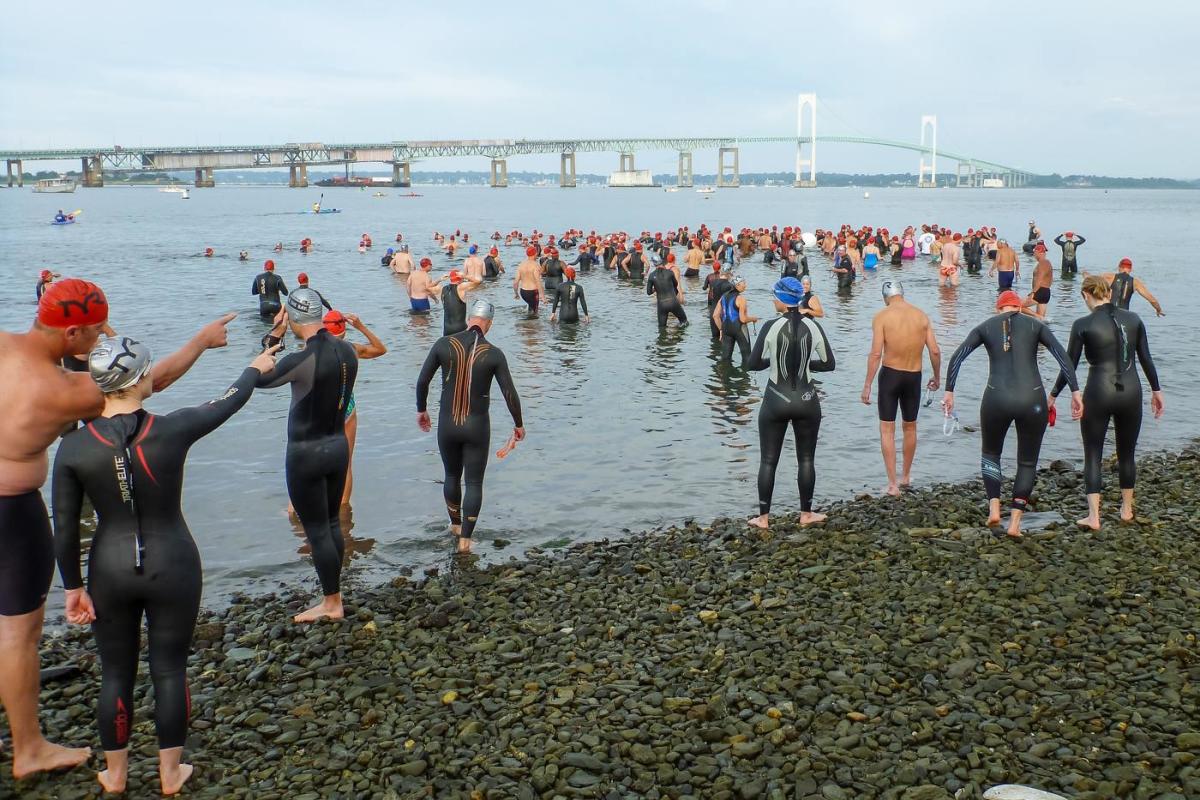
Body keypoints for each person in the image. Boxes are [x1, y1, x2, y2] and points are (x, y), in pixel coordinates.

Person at [0, 279, 233, 781]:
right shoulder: (64, 393)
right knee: (18, 633)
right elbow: (143, 382)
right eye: (96, 333)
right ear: (74, 334)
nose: (103, 339)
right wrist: (200, 341)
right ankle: (28, 748)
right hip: (12, 512)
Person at [52, 337, 276, 795]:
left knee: (115, 672)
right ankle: (170, 773)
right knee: (169, 669)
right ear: (138, 379)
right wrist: (255, 366)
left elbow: (65, 529)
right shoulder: (173, 428)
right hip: (173, 561)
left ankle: (115, 775)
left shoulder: (73, 448)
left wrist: (73, 587)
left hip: (109, 569)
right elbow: (229, 400)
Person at [943, 290, 1082, 538]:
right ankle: (1015, 523)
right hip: (1033, 399)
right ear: (1019, 307)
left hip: (996, 399)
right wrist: (1075, 392)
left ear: (999, 309)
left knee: (991, 453)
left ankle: (994, 509)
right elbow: (1064, 358)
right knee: (1027, 461)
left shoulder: (985, 327)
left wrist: (949, 392)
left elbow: (957, 358)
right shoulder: (1035, 325)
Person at [255, 288, 358, 622]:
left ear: (294, 317)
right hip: (337, 447)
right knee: (331, 524)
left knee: (317, 529)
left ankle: (331, 604)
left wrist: (274, 334)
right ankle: (335, 594)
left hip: (306, 454)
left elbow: (260, 378)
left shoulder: (301, 361)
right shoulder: (348, 351)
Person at [1048, 277, 1163, 529]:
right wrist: (1156, 390)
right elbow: (1146, 359)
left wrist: (1054, 394)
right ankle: (1126, 509)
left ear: (1085, 295)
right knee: (1127, 454)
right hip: (1131, 392)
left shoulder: (1083, 324)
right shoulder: (1133, 319)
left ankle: (1094, 517)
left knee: (1093, 453)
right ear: (1110, 292)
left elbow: (1070, 364)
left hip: (1098, 391)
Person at [415, 301, 524, 553]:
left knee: (451, 475)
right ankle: (465, 541)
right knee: (474, 483)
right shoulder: (494, 353)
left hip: (447, 424)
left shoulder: (444, 344)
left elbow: (422, 381)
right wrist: (519, 425)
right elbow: (510, 393)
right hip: (476, 426)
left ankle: (454, 526)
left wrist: (422, 410)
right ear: (490, 323)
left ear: (469, 319)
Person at [746, 278, 836, 530]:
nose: (772, 300)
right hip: (807, 400)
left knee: (768, 460)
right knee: (806, 458)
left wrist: (773, 360)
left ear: (782, 299)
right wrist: (806, 365)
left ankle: (763, 518)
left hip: (776, 399)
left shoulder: (770, 326)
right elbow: (829, 364)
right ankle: (806, 513)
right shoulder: (813, 326)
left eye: (774, 296)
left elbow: (752, 363)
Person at [860, 280, 941, 496]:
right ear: (902, 294)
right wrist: (937, 376)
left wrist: (867, 383)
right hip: (914, 376)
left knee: (887, 428)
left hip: (890, 376)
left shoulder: (882, 316)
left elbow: (876, 353)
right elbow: (934, 351)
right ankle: (906, 476)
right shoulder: (921, 316)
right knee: (910, 426)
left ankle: (892, 484)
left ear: (886, 297)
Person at [321, 310, 387, 507]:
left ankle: (295, 511)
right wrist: (360, 326)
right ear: (343, 329)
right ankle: (343, 511)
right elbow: (380, 349)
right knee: (346, 464)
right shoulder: (351, 349)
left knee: (311, 463)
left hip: (321, 409)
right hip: (346, 407)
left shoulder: (313, 350)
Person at [1086, 258, 1165, 316]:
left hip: (1108, 313)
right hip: (1124, 315)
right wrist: (1158, 309)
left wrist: (1086, 275)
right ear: (1130, 269)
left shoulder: (1109, 276)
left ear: (1119, 267)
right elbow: (1152, 299)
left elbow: (1092, 280)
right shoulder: (1135, 282)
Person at [714, 275, 757, 365]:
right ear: (737, 285)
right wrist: (753, 319)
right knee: (747, 357)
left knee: (725, 358)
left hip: (726, 328)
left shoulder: (723, 297)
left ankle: (723, 376)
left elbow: (715, 316)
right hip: (739, 329)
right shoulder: (741, 299)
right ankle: (745, 377)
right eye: (743, 283)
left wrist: (721, 329)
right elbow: (743, 319)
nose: (745, 285)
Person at [647, 258, 687, 328]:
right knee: (684, 322)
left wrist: (655, 289)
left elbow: (649, 292)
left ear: (654, 264)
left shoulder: (651, 275)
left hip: (662, 305)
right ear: (662, 262)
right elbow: (676, 284)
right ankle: (678, 337)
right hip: (673, 302)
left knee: (662, 327)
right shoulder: (670, 272)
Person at [441, 270, 482, 336]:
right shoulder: (461, 287)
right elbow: (479, 281)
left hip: (447, 329)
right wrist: (465, 276)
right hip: (460, 329)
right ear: (460, 278)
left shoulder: (444, 289)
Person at [703, 264, 733, 341]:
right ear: (729, 274)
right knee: (725, 341)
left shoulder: (713, 282)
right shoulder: (729, 285)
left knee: (714, 340)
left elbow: (711, 297)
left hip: (712, 313)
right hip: (723, 315)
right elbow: (729, 303)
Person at [1024, 243, 1053, 318]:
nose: (1034, 255)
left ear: (1038, 252)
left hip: (1040, 291)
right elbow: (1050, 279)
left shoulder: (1043, 263)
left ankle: (1038, 316)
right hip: (1046, 291)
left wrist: (1033, 293)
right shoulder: (1047, 263)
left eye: (1034, 253)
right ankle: (1041, 325)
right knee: (1041, 320)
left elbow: (1039, 279)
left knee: (1018, 306)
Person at [513, 247, 544, 316]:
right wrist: (542, 296)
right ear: (535, 254)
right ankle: (530, 325)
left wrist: (516, 293)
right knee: (535, 313)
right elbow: (538, 281)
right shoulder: (536, 266)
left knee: (531, 308)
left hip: (523, 292)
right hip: (533, 292)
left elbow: (515, 282)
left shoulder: (521, 265)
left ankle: (526, 325)